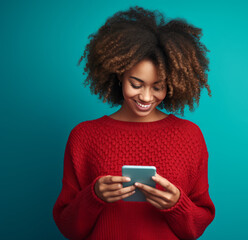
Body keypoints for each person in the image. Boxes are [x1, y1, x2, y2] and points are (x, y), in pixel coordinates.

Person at [53, 6, 215, 240]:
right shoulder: (84, 136)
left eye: (157, 87)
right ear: (119, 74)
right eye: (136, 84)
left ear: (172, 85)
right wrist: (94, 196)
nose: (146, 97)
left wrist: (177, 205)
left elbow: (196, 228)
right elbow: (69, 228)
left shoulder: (189, 135)